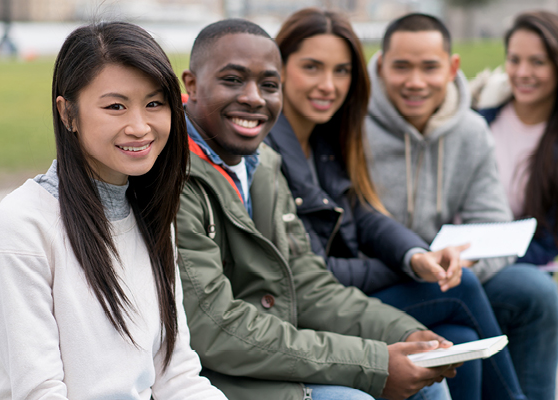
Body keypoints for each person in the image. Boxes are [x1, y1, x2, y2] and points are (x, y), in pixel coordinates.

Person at [177, 18, 457, 400]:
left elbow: (307, 283)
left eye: (269, 86)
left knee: (427, 379)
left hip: (272, 354)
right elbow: (215, 327)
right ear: (190, 84)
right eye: (233, 80)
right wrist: (372, 362)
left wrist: (403, 334)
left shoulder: (263, 164)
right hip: (211, 375)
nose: (254, 97)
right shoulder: (174, 177)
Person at [264, 8, 526, 400]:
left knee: (458, 338)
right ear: (280, 68)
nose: (328, 85)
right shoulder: (268, 148)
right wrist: (409, 267)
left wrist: (417, 256)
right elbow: (310, 273)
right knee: (460, 289)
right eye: (312, 68)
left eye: (341, 71)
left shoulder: (324, 137)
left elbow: (363, 214)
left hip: (348, 290)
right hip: (311, 310)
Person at [0, 22, 226, 400]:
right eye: (115, 106)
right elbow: (39, 393)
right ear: (67, 114)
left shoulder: (151, 211)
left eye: (154, 103)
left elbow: (176, 375)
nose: (140, 126)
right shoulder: (23, 225)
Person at [365, 13, 558, 400]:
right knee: (461, 315)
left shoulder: (470, 131)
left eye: (429, 67)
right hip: (371, 282)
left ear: (453, 67)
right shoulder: (351, 124)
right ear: (381, 65)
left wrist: (461, 262)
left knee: (528, 294)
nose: (415, 81)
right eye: (401, 66)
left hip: (442, 278)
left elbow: (492, 225)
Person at [471, 10, 558, 267]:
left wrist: (482, 262)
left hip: (517, 266)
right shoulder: (478, 118)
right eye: (514, 60)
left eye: (537, 62)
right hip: (448, 256)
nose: (522, 72)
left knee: (534, 290)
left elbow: (546, 245)